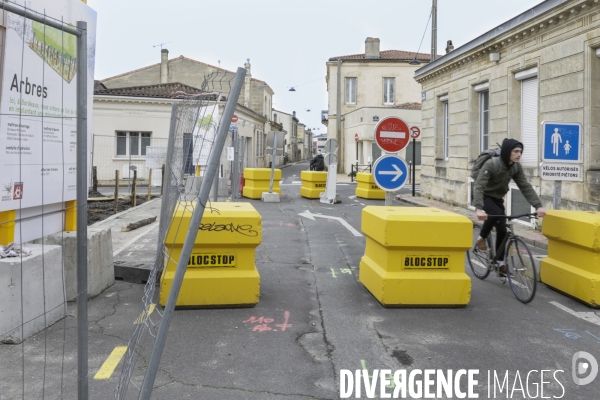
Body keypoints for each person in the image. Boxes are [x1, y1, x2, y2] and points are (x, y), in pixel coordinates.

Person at [473, 138, 546, 275]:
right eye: (516, 151)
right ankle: (480, 238)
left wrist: (538, 206)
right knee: (495, 213)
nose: (519, 154)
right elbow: (479, 186)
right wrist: (478, 208)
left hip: (498, 198)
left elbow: (525, 186)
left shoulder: (515, 167)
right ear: (508, 152)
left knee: (502, 231)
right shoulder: (491, 164)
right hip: (485, 196)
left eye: (521, 152)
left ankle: (500, 264)